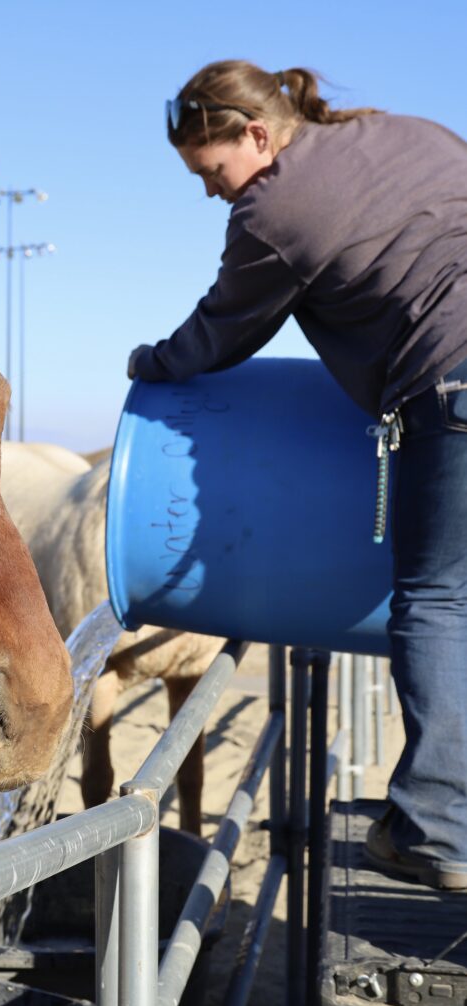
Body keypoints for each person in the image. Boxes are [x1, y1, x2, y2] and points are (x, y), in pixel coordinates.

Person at [128, 59, 467, 890]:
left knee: (437, 598)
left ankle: (439, 825)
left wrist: (152, 363)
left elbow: (221, 332)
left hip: (453, 389)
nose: (215, 192)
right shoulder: (406, 133)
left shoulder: (274, 209)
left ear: (253, 134)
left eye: (212, 172)